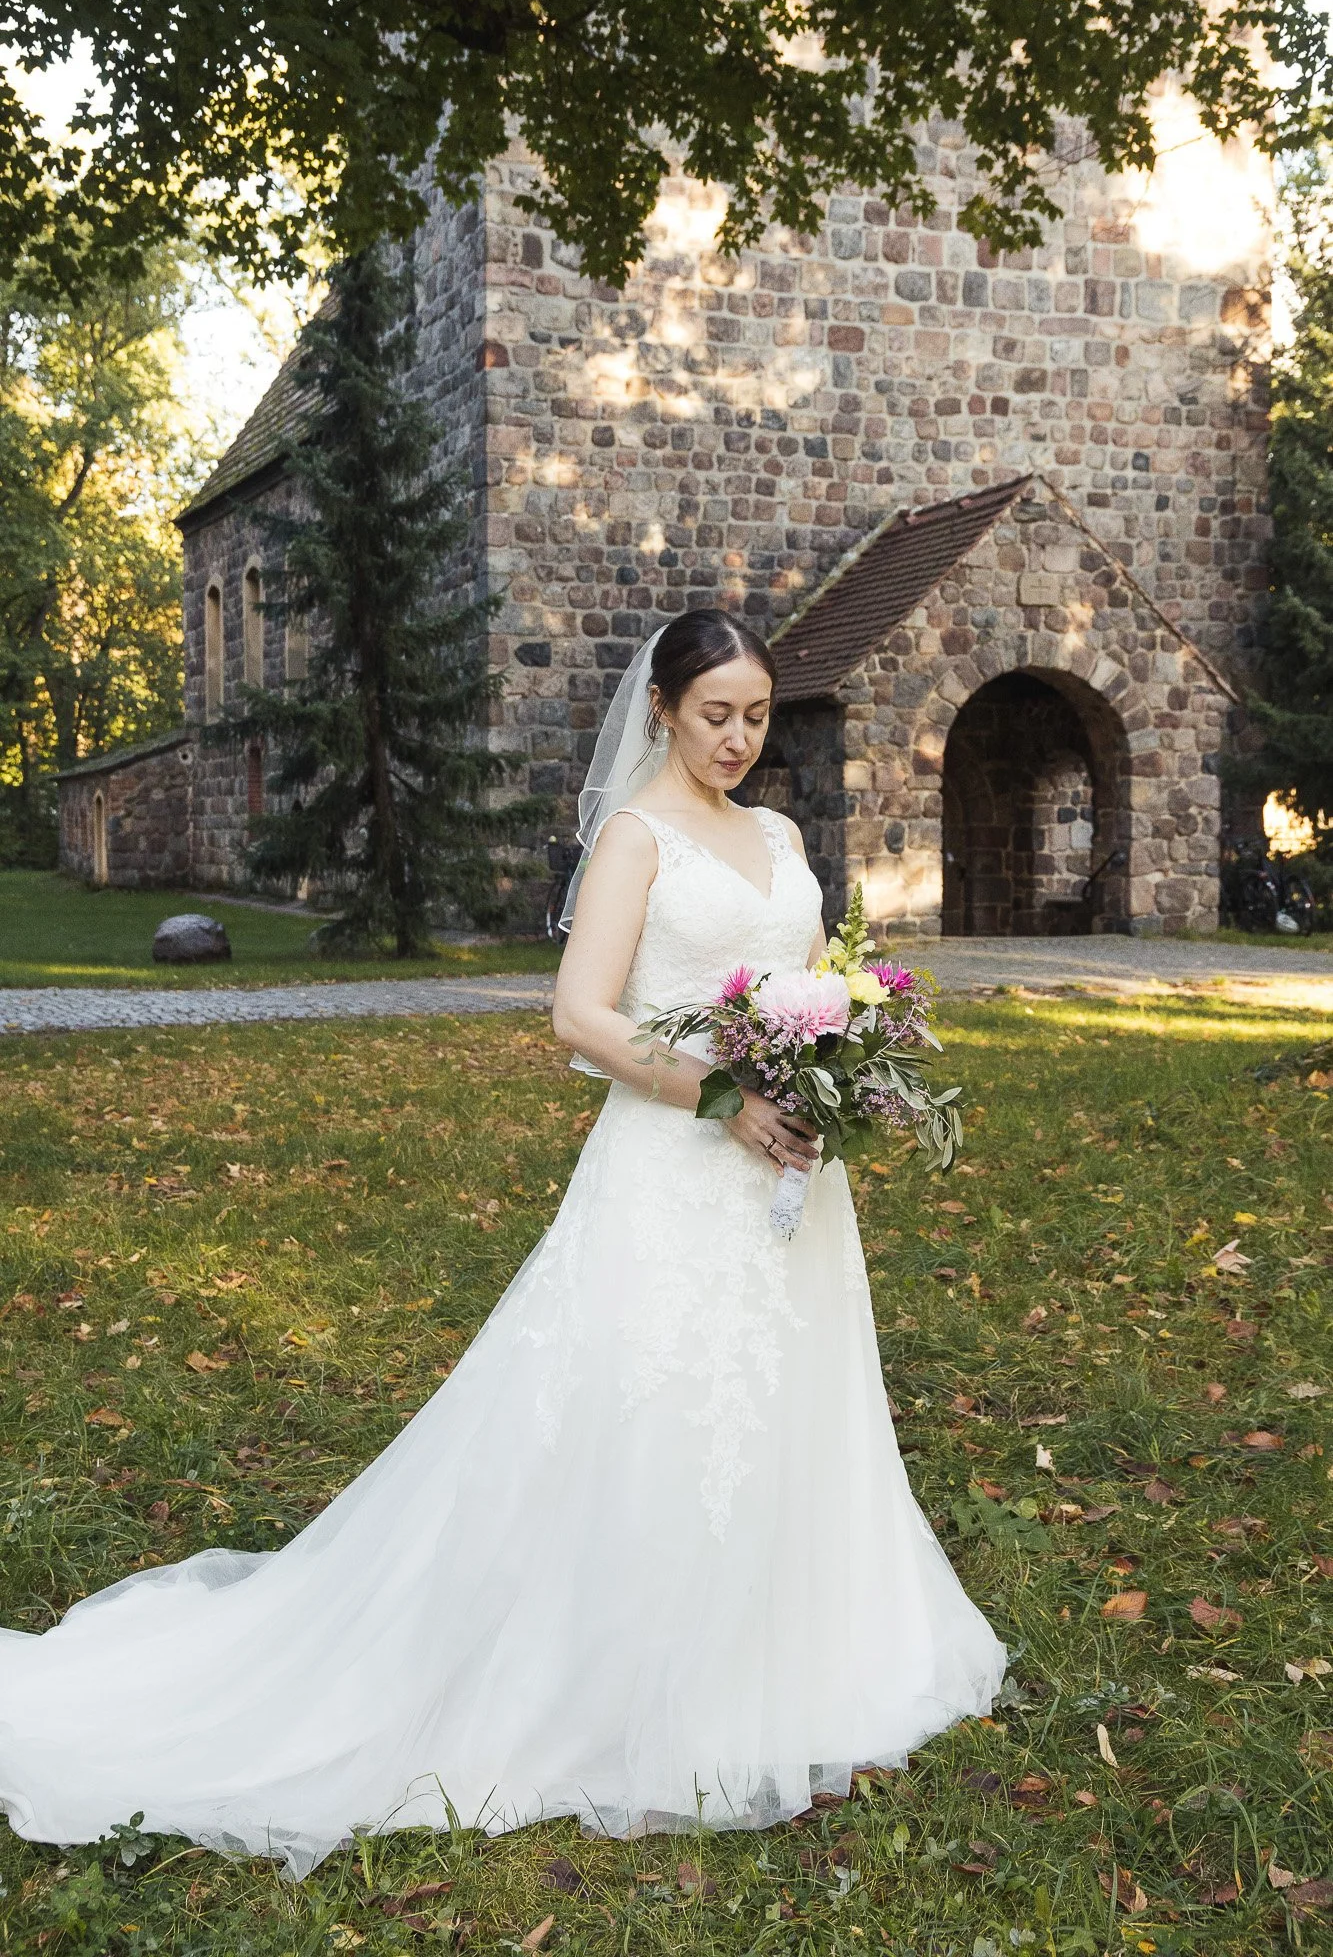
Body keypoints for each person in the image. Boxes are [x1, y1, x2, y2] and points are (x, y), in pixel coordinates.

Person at [0, 610, 1004, 1881]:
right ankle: (629, 1672)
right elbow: (579, 1015)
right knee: (645, 1405)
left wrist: (840, 1066)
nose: (739, 738)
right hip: (674, 1164)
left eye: (754, 715)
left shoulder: (780, 834)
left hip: (790, 1178)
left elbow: (809, 977)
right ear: (662, 711)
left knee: (792, 1395)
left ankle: (797, 1643)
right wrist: (720, 1095)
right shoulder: (635, 838)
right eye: (716, 715)